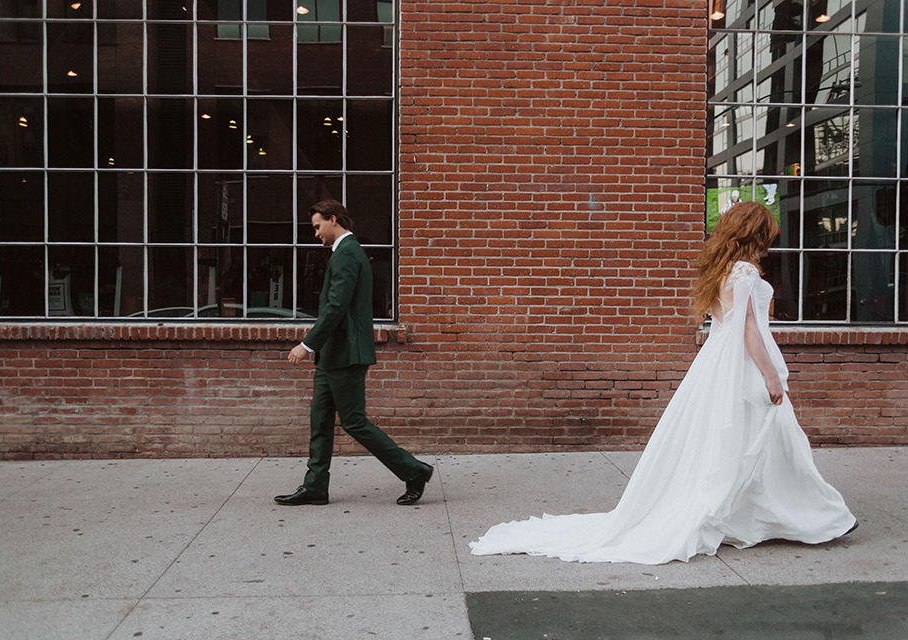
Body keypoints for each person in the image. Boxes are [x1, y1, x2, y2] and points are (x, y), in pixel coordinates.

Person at [470, 202, 857, 564]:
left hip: (717, 363)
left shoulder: (721, 269)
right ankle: (815, 516)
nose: (772, 240)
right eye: (768, 233)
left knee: (745, 439)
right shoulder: (745, 272)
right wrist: (771, 374)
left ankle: (787, 514)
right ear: (754, 234)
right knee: (769, 437)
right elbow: (748, 329)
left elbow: (724, 326)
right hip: (741, 364)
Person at [276, 200, 433, 507]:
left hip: (346, 355)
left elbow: (336, 307)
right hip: (334, 355)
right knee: (319, 420)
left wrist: (307, 345)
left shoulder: (348, 254)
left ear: (334, 219)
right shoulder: (343, 253)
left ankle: (414, 471)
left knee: (354, 422)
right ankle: (315, 486)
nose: (316, 233)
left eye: (318, 226)